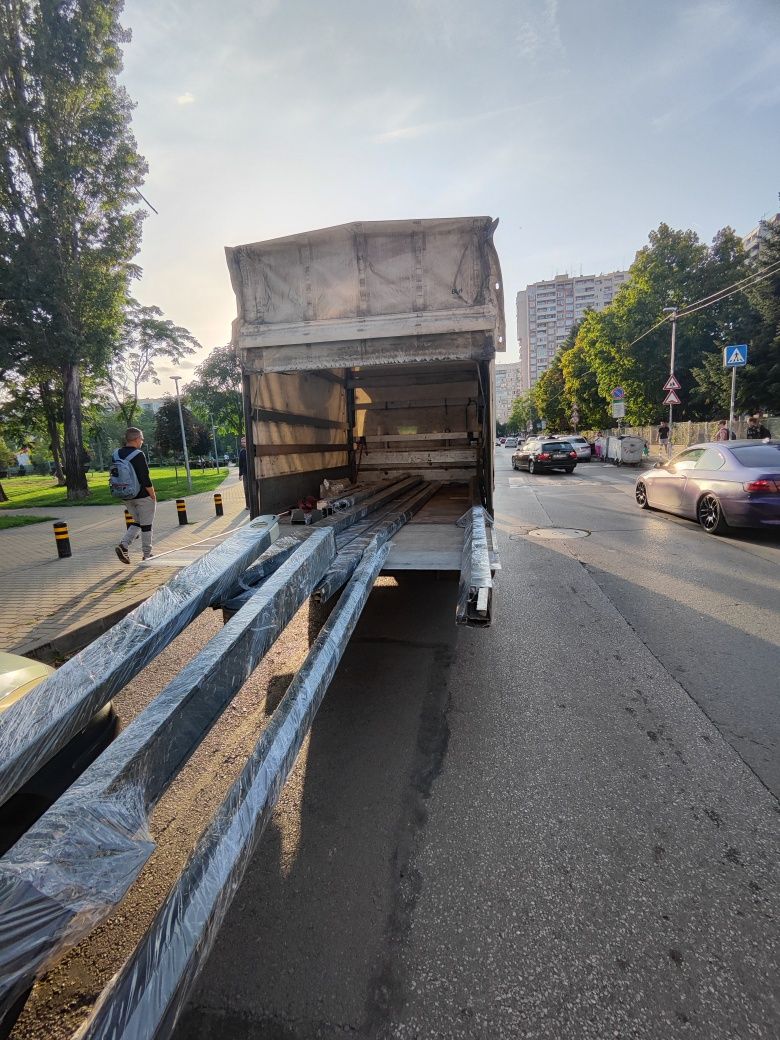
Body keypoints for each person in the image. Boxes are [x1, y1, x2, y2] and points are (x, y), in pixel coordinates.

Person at [114, 428, 156, 564]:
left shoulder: (116, 454)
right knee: (146, 525)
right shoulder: (138, 454)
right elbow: (145, 477)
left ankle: (124, 545)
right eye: (142, 439)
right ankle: (147, 554)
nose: (142, 441)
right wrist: (152, 494)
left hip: (126, 495)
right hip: (142, 495)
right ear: (137, 438)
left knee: (137, 521)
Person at [238, 435, 250, 510]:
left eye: (244, 442)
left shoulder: (252, 450)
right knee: (246, 489)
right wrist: (240, 474)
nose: (243, 443)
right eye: (242, 442)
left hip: (253, 473)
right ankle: (248, 505)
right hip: (245, 473)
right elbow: (240, 464)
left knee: (254, 488)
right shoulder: (242, 452)